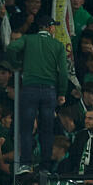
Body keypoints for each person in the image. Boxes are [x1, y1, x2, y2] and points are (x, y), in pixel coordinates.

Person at [5, 15, 68, 173]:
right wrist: (62, 92)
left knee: (26, 129)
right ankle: (45, 167)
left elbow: (11, 48)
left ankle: (26, 164)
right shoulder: (58, 45)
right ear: (50, 28)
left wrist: (17, 64)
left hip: (30, 90)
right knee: (46, 130)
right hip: (49, 91)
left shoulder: (28, 39)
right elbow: (63, 73)